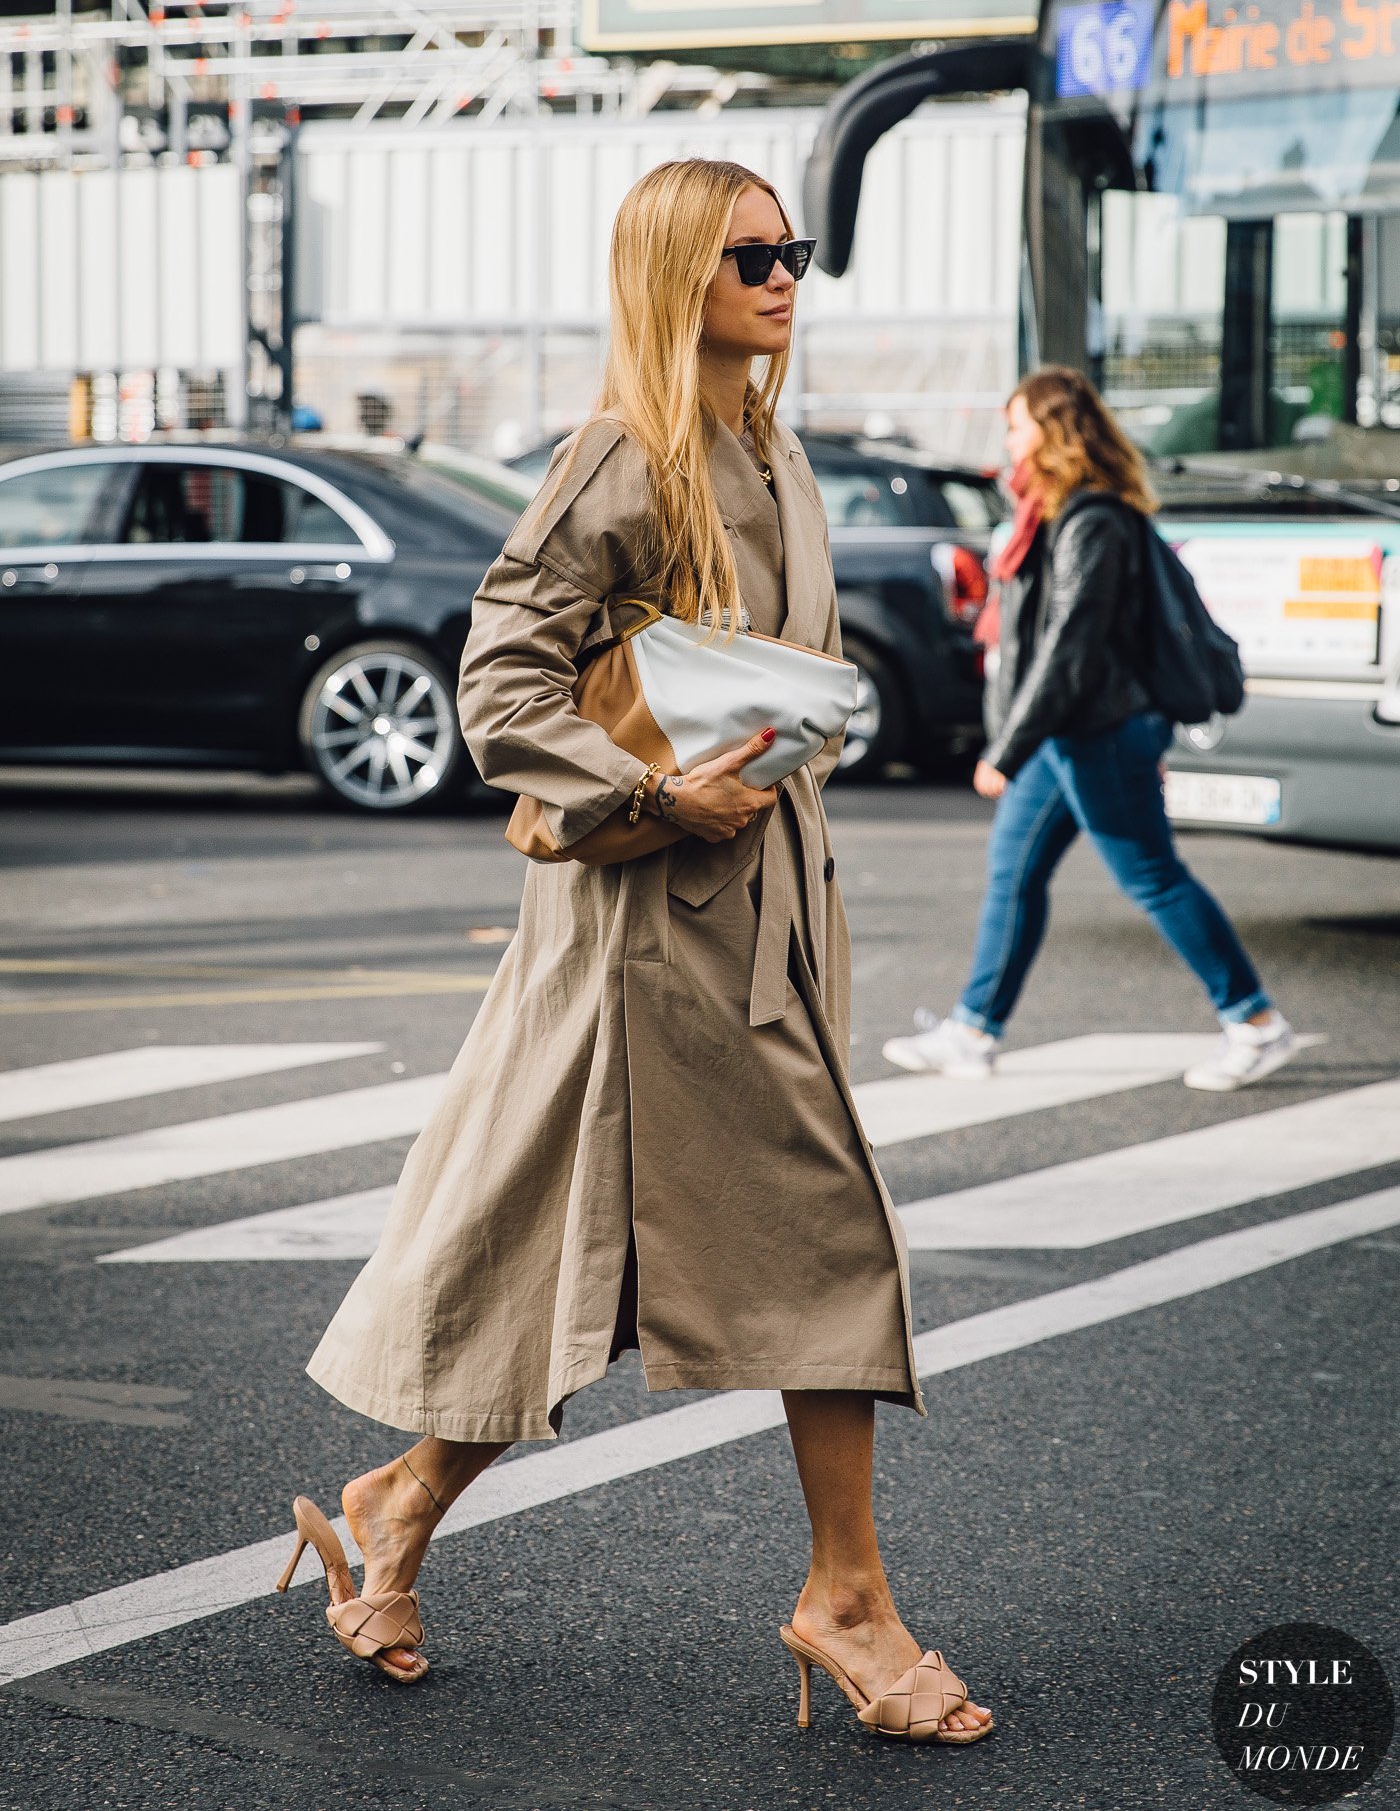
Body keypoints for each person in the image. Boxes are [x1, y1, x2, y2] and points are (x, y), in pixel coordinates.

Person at [281, 159, 993, 1747]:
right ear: (677, 269)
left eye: (796, 249)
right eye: (752, 252)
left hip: (752, 906)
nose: (785, 273)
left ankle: (397, 1504)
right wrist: (661, 788)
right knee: (826, 1239)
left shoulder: (770, 443)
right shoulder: (623, 455)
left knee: (562, 1264)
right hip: (650, 926)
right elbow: (499, 691)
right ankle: (849, 1601)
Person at [884, 366, 1298, 1094]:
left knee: (1154, 879)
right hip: (1073, 733)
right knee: (1014, 872)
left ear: (1051, 432)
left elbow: (1069, 650)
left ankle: (1255, 1022)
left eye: (1017, 426)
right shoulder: (1054, 514)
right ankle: (973, 1030)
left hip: (1099, 730)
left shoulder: (1093, 522)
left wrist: (1004, 750)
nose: (1008, 441)